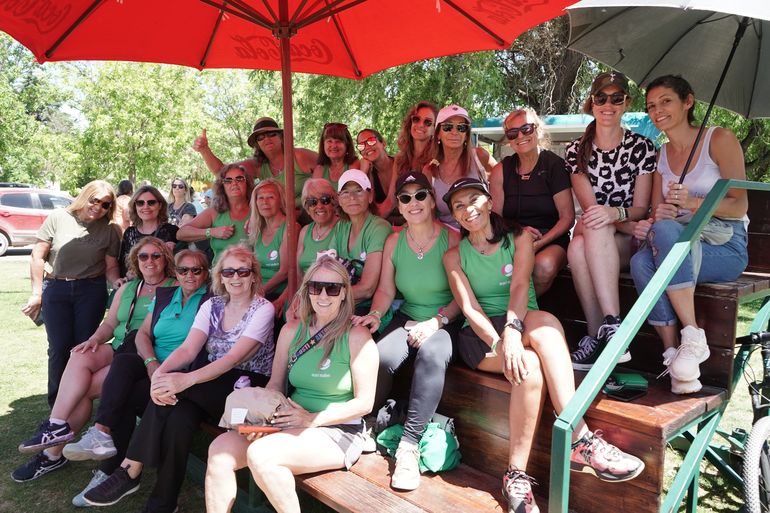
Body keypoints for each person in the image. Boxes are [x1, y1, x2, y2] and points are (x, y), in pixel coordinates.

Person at [442, 177, 644, 513]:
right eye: (458, 206)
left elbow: (520, 286)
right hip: (480, 336)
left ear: (490, 202)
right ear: (455, 215)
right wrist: (500, 342)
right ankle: (528, 470)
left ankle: (574, 440)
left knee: (547, 324)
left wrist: (511, 331)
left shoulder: (518, 238)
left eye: (474, 200)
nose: (468, 209)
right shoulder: (453, 256)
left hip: (520, 319)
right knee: (530, 369)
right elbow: (470, 310)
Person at [83, 245, 275, 512]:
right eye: (228, 271)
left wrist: (183, 381)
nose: (235, 277)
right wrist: (161, 375)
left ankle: (130, 469)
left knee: (177, 393)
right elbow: (187, 349)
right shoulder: (213, 305)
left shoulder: (262, 309)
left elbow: (232, 360)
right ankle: (163, 503)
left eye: (243, 271)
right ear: (220, 275)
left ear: (253, 275)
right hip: (207, 382)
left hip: (244, 386)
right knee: (178, 419)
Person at [204, 256, 378, 513]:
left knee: (262, 456)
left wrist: (310, 419)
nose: (323, 295)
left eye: (332, 288)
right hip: (286, 419)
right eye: (315, 287)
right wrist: (262, 420)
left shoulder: (356, 335)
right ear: (306, 291)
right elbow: (276, 384)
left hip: (336, 429)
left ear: (344, 294)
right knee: (219, 451)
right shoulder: (292, 330)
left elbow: (364, 403)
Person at [13, 238, 175, 483]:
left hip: (143, 354)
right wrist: (94, 339)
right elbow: (111, 324)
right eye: (144, 257)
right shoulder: (129, 288)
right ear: (136, 261)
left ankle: (52, 453)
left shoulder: (173, 287)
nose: (150, 261)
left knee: (85, 390)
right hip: (119, 345)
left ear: (165, 259)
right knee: (79, 353)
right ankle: (56, 425)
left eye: (156, 256)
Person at [630, 75, 749, 394]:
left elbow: (739, 206)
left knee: (664, 237)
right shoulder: (660, 155)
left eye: (666, 101)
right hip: (679, 241)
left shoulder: (719, 139)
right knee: (640, 262)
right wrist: (660, 215)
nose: (657, 110)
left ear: (688, 101)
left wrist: (692, 203)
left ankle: (693, 335)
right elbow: (659, 214)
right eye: (652, 105)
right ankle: (676, 357)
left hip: (725, 245)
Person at [64, 249, 211, 506]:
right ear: (174, 273)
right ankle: (103, 439)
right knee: (123, 366)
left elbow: (192, 351)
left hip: (182, 375)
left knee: (170, 414)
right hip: (156, 368)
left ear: (206, 273)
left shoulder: (210, 301)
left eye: (196, 270)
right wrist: (151, 362)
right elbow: (142, 334)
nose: (189, 275)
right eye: (183, 270)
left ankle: (125, 474)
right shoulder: (166, 295)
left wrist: (162, 372)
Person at [353, 171, 461, 491]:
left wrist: (436, 322)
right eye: (405, 197)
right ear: (398, 206)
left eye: (419, 195)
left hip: (445, 320)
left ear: (431, 200)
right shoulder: (394, 241)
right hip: (409, 315)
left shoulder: (452, 238)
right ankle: (370, 423)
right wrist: (375, 314)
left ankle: (410, 445)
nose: (413, 203)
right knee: (381, 356)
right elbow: (385, 290)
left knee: (431, 354)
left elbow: (461, 296)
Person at [565, 71, 656, 370]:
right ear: (591, 103)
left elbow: (641, 208)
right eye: (601, 98)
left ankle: (609, 331)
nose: (608, 104)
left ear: (626, 103)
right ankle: (604, 331)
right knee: (577, 247)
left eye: (616, 98)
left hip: (630, 241)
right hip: (600, 237)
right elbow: (592, 212)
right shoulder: (576, 151)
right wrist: (616, 217)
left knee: (591, 228)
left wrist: (615, 215)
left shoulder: (642, 147)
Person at [21, 180, 122, 408]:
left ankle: (77, 400)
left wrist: (117, 282)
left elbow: (111, 266)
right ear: (85, 196)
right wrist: (36, 293)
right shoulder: (58, 217)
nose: (98, 207)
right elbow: (37, 256)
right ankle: (57, 403)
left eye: (105, 204)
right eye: (94, 200)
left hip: (90, 291)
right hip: (57, 289)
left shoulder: (110, 229)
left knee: (82, 348)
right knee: (58, 347)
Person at [490, 107, 574, 296]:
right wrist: (518, 234)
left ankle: (519, 314)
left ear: (537, 129)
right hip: (512, 238)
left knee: (542, 267)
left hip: (551, 239)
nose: (520, 136)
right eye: (513, 133)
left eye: (526, 129)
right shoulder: (500, 171)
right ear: (509, 140)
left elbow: (567, 218)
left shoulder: (555, 165)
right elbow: (495, 218)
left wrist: (538, 243)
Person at [192, 117, 317, 208]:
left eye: (271, 134)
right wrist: (204, 150)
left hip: (311, 215)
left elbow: (331, 167)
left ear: (281, 137)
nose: (266, 139)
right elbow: (222, 172)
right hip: (281, 222)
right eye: (260, 137)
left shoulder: (300, 156)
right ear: (257, 144)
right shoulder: (257, 165)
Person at [328, 169, 393, 316]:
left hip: (368, 308)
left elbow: (367, 289)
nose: (352, 197)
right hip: (340, 301)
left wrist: (327, 295)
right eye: (345, 192)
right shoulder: (341, 226)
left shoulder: (379, 228)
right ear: (339, 198)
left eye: (358, 191)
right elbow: (327, 266)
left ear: (370, 196)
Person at [425, 104, 496, 230]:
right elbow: (429, 216)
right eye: (447, 127)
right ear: (438, 134)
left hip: (482, 234)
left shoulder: (479, 157)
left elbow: (502, 185)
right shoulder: (429, 170)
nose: (454, 132)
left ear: (467, 134)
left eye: (461, 127)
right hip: (447, 238)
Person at [177, 164, 254, 265]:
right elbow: (181, 233)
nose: (234, 183)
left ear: (247, 182)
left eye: (239, 179)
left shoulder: (258, 210)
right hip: (221, 275)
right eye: (228, 180)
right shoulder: (215, 212)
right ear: (222, 186)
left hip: (251, 274)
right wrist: (211, 232)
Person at [377, 101, 439, 217]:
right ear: (410, 123)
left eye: (428, 122)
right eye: (416, 119)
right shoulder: (400, 159)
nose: (421, 125)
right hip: (405, 218)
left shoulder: (437, 159)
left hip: (429, 221)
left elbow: (432, 208)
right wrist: (368, 225)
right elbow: (391, 200)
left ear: (435, 130)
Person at [249, 179, 298, 315]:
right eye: (261, 198)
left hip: (277, 293)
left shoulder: (289, 227)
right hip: (258, 290)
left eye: (271, 197)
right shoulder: (257, 228)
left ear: (280, 200)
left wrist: (258, 292)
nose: (265, 202)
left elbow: (284, 271)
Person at [117, 185, 178, 278]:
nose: (145, 207)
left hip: (164, 287)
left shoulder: (172, 232)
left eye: (151, 203)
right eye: (140, 203)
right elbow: (122, 265)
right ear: (135, 206)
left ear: (160, 205)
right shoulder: (129, 233)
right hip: (135, 287)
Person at [296, 178, 339, 280]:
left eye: (325, 200)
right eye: (312, 202)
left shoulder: (342, 228)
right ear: (307, 208)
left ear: (334, 203)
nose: (319, 206)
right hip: (305, 291)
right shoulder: (305, 231)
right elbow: (298, 275)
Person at [356, 128, 394, 216]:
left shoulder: (401, 164)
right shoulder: (369, 173)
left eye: (371, 141)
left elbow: (389, 205)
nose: (367, 147)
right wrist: (363, 172)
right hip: (383, 225)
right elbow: (361, 207)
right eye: (361, 146)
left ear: (383, 143)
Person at [312, 122, 360, 190]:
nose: (334, 146)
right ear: (323, 145)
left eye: (338, 141)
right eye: (329, 141)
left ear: (347, 145)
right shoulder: (319, 169)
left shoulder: (354, 165)